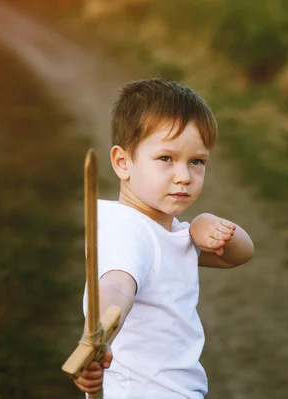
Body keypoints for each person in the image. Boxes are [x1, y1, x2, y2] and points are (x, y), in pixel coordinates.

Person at [74, 78, 255, 398]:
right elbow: (116, 284)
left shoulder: (168, 233)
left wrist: (204, 224)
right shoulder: (128, 230)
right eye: (166, 159)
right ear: (123, 162)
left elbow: (239, 254)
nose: (184, 176)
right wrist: (97, 337)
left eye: (196, 161)